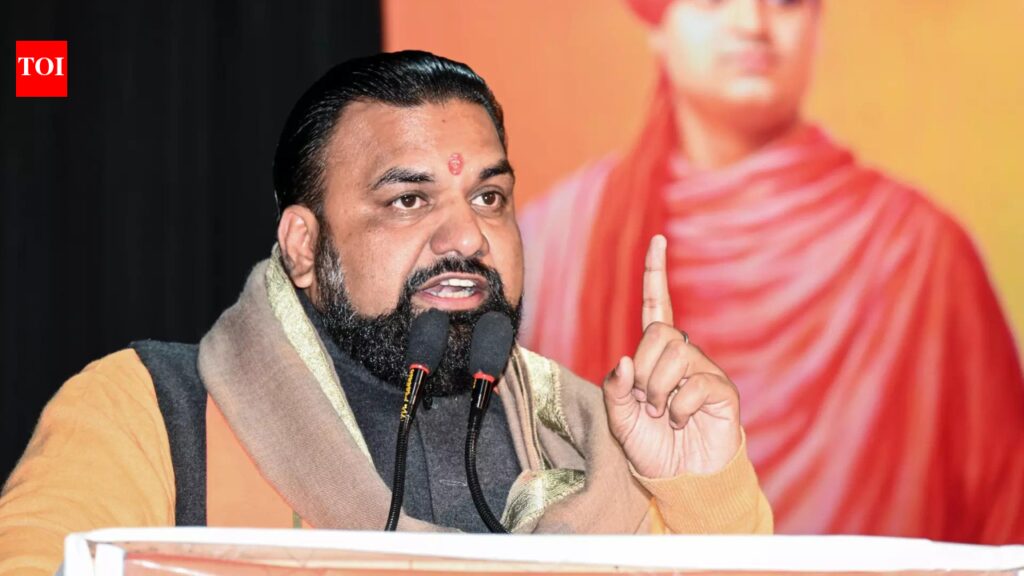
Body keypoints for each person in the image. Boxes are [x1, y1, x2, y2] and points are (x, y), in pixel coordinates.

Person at [0, 51, 772, 575]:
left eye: (488, 197)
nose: (467, 237)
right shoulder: (146, 414)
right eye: (408, 200)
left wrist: (699, 487)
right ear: (304, 247)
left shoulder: (599, 440)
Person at [519, 0, 1024, 543]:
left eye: (786, 1)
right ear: (657, 22)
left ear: (818, 22)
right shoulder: (555, 242)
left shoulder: (921, 254)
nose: (752, 23)